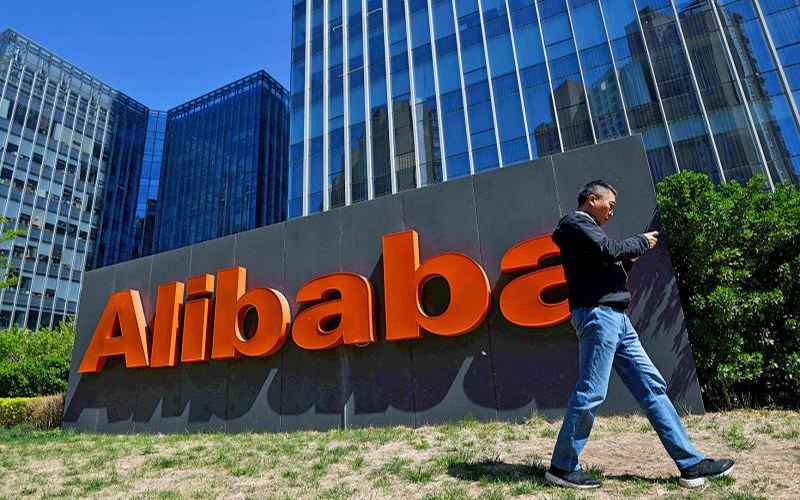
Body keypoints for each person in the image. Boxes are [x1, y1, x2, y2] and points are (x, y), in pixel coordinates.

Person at [544, 180, 734, 490]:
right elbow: (610, 250)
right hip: (598, 316)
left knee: (652, 387)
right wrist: (641, 242)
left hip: (618, 320)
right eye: (610, 205)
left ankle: (690, 463)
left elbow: (609, 264)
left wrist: (627, 260)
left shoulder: (588, 235)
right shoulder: (575, 224)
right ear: (592, 199)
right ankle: (562, 467)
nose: (612, 212)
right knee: (592, 391)